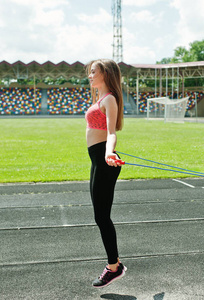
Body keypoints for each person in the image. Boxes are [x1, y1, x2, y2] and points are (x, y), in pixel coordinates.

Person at [85, 59, 127, 288]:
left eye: (93, 72)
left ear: (106, 74)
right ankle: (115, 264)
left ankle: (114, 267)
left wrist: (109, 153)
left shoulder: (109, 99)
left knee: (102, 217)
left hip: (105, 160)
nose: (89, 76)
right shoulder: (100, 98)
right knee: (100, 216)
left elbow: (111, 133)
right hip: (98, 161)